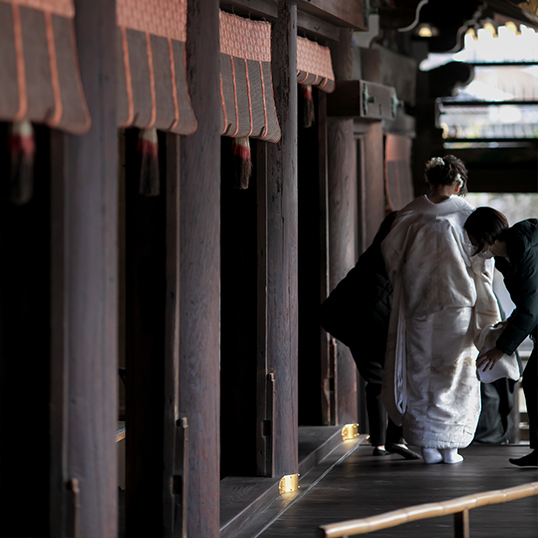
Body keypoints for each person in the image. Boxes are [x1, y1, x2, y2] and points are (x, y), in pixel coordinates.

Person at [380, 155, 501, 464]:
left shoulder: (409, 215)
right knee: (456, 374)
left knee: (419, 372)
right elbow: (483, 259)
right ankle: (451, 446)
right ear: (459, 183)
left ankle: (427, 446)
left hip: (419, 306)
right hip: (458, 305)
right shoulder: (467, 215)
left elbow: (391, 260)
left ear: (430, 181)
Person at [320, 212, 420, 460]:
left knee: (378, 381)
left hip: (353, 324)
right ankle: (393, 438)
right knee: (398, 379)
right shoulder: (395, 255)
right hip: (373, 325)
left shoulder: (375, 251)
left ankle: (380, 441)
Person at [464, 207, 538, 467]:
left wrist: (501, 349)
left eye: (472, 237)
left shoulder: (524, 251)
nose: (470, 242)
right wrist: (510, 322)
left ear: (484, 235)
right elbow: (527, 303)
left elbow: (531, 310)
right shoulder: (506, 258)